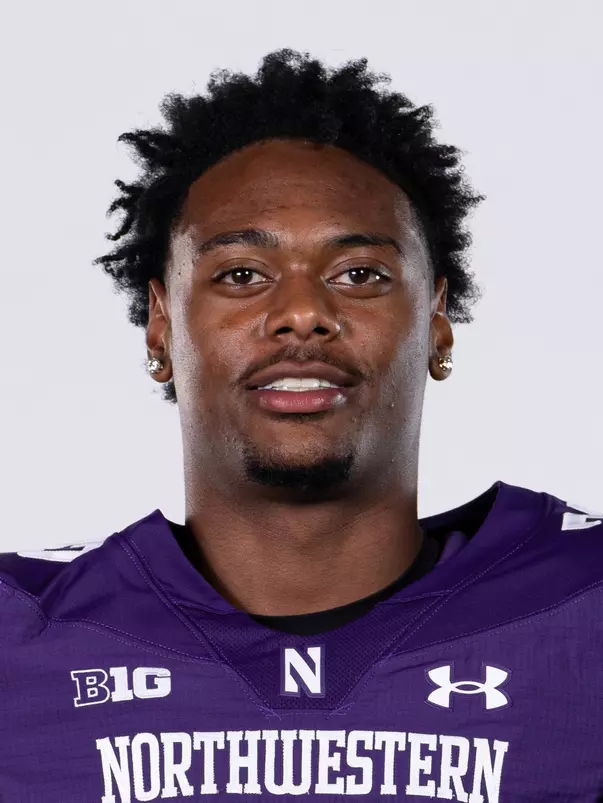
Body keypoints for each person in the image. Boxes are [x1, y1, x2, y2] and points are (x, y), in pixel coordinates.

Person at [1, 49, 602, 803]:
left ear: (437, 323)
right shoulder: (19, 636)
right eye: (240, 274)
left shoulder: (580, 608)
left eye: (359, 274)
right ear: (160, 329)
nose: (301, 314)